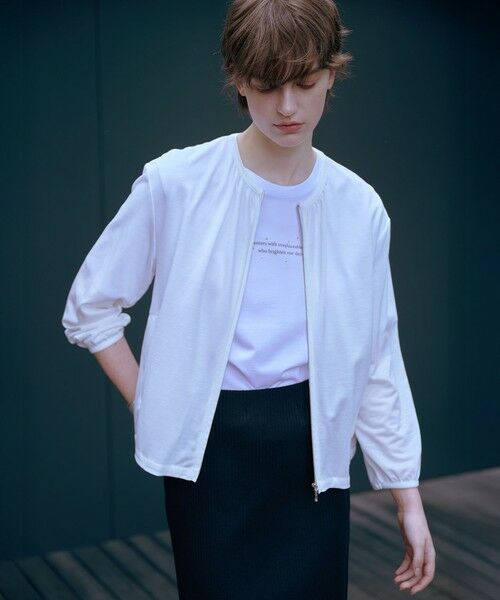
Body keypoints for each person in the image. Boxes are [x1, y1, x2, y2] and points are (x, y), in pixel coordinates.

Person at [61, 0, 436, 597]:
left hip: (316, 447)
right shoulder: (177, 183)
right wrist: (151, 401)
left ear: (331, 74)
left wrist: (406, 498)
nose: (287, 106)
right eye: (266, 85)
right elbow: (90, 307)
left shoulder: (358, 207)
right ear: (237, 78)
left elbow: (377, 358)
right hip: (212, 450)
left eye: (304, 82)